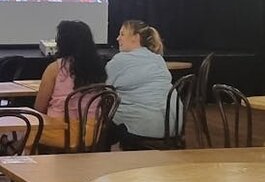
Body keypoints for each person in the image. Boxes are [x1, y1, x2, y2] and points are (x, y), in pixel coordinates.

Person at [106, 19, 176, 150]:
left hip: (143, 127)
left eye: (122, 34)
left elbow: (102, 90)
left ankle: (97, 165)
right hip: (173, 125)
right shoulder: (158, 59)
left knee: (101, 123)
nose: (117, 38)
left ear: (136, 37)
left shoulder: (121, 60)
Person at [35, 20, 106, 149]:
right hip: (91, 133)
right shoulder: (99, 68)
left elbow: (39, 107)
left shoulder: (55, 68)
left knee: (24, 128)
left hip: (60, 131)